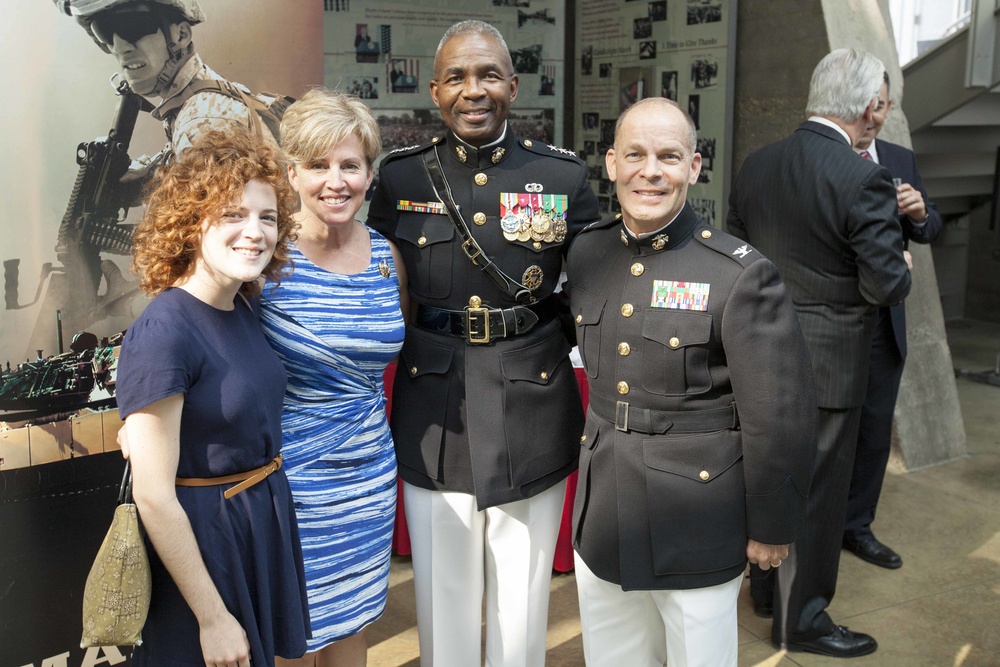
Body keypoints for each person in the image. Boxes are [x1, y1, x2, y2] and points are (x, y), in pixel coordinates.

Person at [366, 19, 600, 667]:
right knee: (443, 592)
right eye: (459, 78)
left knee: (521, 600)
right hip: (434, 405)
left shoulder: (561, 177)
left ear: (513, 86)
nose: (475, 90)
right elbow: (383, 278)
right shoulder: (401, 179)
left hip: (532, 395)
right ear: (436, 91)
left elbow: (594, 287)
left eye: (489, 74)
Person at [565, 97, 816, 667]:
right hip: (604, 510)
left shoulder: (738, 274)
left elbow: (778, 414)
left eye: (668, 157)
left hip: (698, 516)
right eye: (635, 155)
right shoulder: (587, 251)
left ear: (694, 167)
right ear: (610, 164)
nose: (649, 172)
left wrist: (772, 524)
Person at [727, 48, 912, 658]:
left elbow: (740, 260)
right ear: (866, 108)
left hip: (759, 350)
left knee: (771, 477)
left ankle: (765, 591)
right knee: (818, 496)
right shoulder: (865, 177)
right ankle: (800, 620)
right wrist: (901, 264)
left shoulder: (757, 164)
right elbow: (885, 285)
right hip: (831, 364)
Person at [114, 128, 309, 666]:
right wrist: (212, 617)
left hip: (254, 529)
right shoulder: (165, 330)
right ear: (190, 222)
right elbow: (154, 496)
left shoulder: (241, 305)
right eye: (232, 215)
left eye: (267, 217)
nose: (255, 233)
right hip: (205, 551)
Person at [261, 89, 407, 667]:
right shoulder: (264, 260)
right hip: (289, 479)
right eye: (318, 165)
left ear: (370, 173)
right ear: (291, 172)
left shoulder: (385, 258)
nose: (335, 181)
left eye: (350, 165)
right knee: (294, 636)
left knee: (353, 628)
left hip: (370, 476)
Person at [844, 73, 942, 569]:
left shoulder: (899, 158)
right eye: (868, 103)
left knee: (873, 430)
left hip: (884, 322)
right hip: (833, 320)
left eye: (882, 105)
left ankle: (857, 526)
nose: (874, 114)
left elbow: (930, 228)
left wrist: (922, 213)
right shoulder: (829, 155)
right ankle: (816, 527)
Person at [54, 0, 283, 169]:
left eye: (131, 27)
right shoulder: (199, 98)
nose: (120, 47)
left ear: (181, 35)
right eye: (104, 32)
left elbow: (208, 229)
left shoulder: (203, 121)